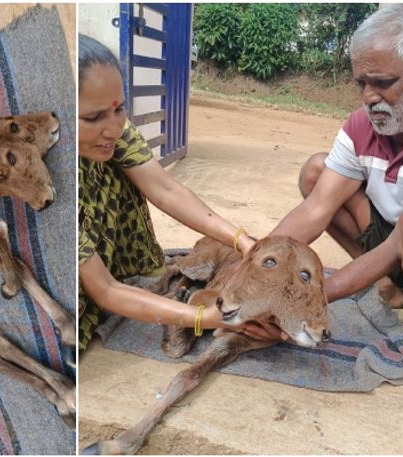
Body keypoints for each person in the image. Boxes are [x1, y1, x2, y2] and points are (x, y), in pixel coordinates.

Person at [77, 34, 281, 351]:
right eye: (93, 118)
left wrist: (243, 242)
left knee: (120, 164)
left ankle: (130, 268)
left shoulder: (114, 133)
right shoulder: (48, 183)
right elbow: (105, 291)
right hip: (81, 272)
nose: (114, 129)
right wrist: (205, 317)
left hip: (101, 256)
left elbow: (165, 189)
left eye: (119, 110)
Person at [271, 3, 403, 309]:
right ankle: (381, 281)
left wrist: (312, 299)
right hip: (394, 242)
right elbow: (315, 209)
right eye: (362, 83)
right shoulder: (361, 124)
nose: (369, 98)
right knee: (318, 171)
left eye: (384, 83)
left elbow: (399, 243)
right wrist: (253, 270)